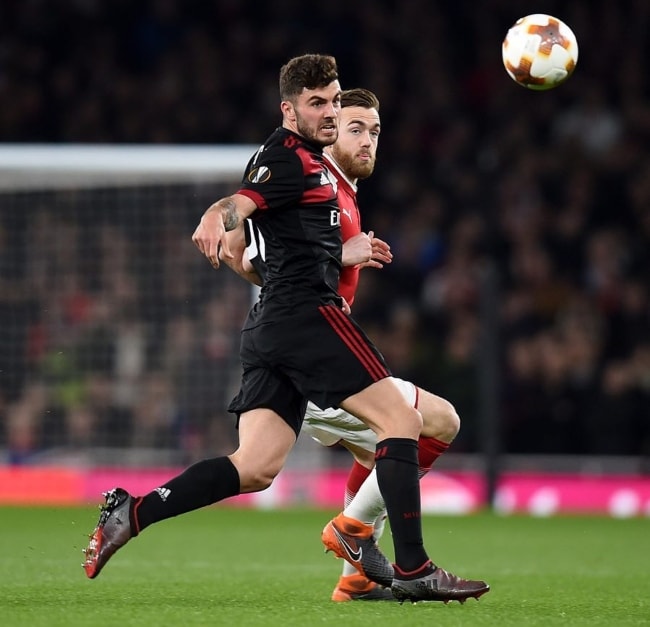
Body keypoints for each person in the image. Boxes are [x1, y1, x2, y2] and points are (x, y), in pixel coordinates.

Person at [83, 53, 489, 604]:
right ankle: (408, 566)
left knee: (254, 467)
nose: (329, 112)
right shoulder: (291, 158)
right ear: (290, 109)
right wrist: (216, 214)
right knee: (406, 421)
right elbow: (238, 208)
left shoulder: (314, 168)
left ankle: (133, 512)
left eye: (334, 101)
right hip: (307, 317)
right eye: (319, 104)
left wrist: (294, 245)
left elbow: (252, 243)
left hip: (273, 324)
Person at [234, 88, 467, 602]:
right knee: (435, 423)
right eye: (355, 128)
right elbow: (246, 255)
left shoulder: (343, 192)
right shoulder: (310, 187)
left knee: (383, 453)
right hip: (310, 362)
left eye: (376, 132)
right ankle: (352, 532)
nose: (367, 141)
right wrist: (337, 255)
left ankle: (357, 578)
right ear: (329, 129)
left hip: (317, 355)